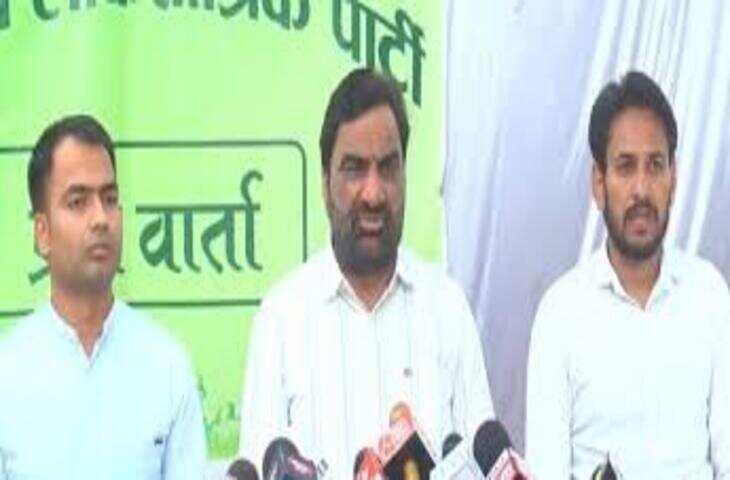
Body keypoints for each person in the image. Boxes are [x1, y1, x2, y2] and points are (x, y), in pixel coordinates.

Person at [239, 69, 494, 477]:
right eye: (355, 169)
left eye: (388, 168)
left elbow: (484, 464)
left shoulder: (446, 308)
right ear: (325, 182)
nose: (373, 194)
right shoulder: (282, 319)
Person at [526, 71, 730, 479]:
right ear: (598, 182)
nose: (641, 189)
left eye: (655, 166)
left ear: (673, 179)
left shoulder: (708, 295)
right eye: (625, 167)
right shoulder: (561, 313)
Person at [0, 114, 207, 479]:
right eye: (78, 202)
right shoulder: (8, 372)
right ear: (43, 232)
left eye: (109, 199)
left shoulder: (167, 366)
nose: (101, 219)